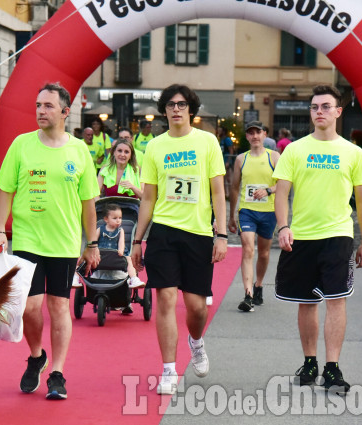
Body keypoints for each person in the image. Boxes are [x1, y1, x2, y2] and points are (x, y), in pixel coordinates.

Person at [0, 82, 100, 400]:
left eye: (48, 106)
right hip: (27, 240)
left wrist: (91, 243)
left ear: (66, 111)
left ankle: (57, 372)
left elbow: (88, 204)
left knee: (59, 306)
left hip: (64, 243)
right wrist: (0, 229)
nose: (41, 110)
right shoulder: (21, 145)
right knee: (29, 308)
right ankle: (37, 355)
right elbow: (5, 191)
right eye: (38, 105)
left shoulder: (79, 150)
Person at [273, 85, 362, 395]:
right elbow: (282, 192)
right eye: (315, 107)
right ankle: (310, 362)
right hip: (301, 235)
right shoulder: (295, 150)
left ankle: (332, 369)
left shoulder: (353, 152)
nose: (319, 112)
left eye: (326, 106)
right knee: (306, 302)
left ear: (338, 112)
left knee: (336, 299)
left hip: (338, 235)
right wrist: (283, 226)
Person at [130, 83, 228, 395]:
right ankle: (169, 370)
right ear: (164, 110)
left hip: (198, 233)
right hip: (164, 231)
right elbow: (148, 197)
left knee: (197, 307)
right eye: (170, 104)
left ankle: (196, 341)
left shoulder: (207, 142)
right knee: (167, 298)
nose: (176, 109)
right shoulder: (155, 147)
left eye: (181, 104)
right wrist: (137, 239)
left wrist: (222, 234)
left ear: (191, 109)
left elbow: (218, 192)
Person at [228, 120, 280, 312]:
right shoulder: (241, 159)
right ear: (247, 137)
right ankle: (248, 295)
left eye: (258, 132)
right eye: (251, 133)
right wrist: (232, 216)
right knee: (248, 249)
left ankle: (258, 285)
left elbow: (285, 183)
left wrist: (269, 190)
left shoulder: (274, 157)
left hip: (268, 212)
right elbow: (234, 188)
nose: (255, 136)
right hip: (247, 211)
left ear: (265, 134)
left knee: (264, 253)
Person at [95, 203, 145, 289]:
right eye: (115, 218)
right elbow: (94, 241)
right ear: (106, 219)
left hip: (117, 254)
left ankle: (134, 278)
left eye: (120, 218)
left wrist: (121, 250)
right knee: (83, 257)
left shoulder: (120, 230)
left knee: (129, 259)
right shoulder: (100, 229)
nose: (118, 220)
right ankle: (76, 275)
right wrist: (94, 248)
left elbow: (121, 242)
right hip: (102, 254)